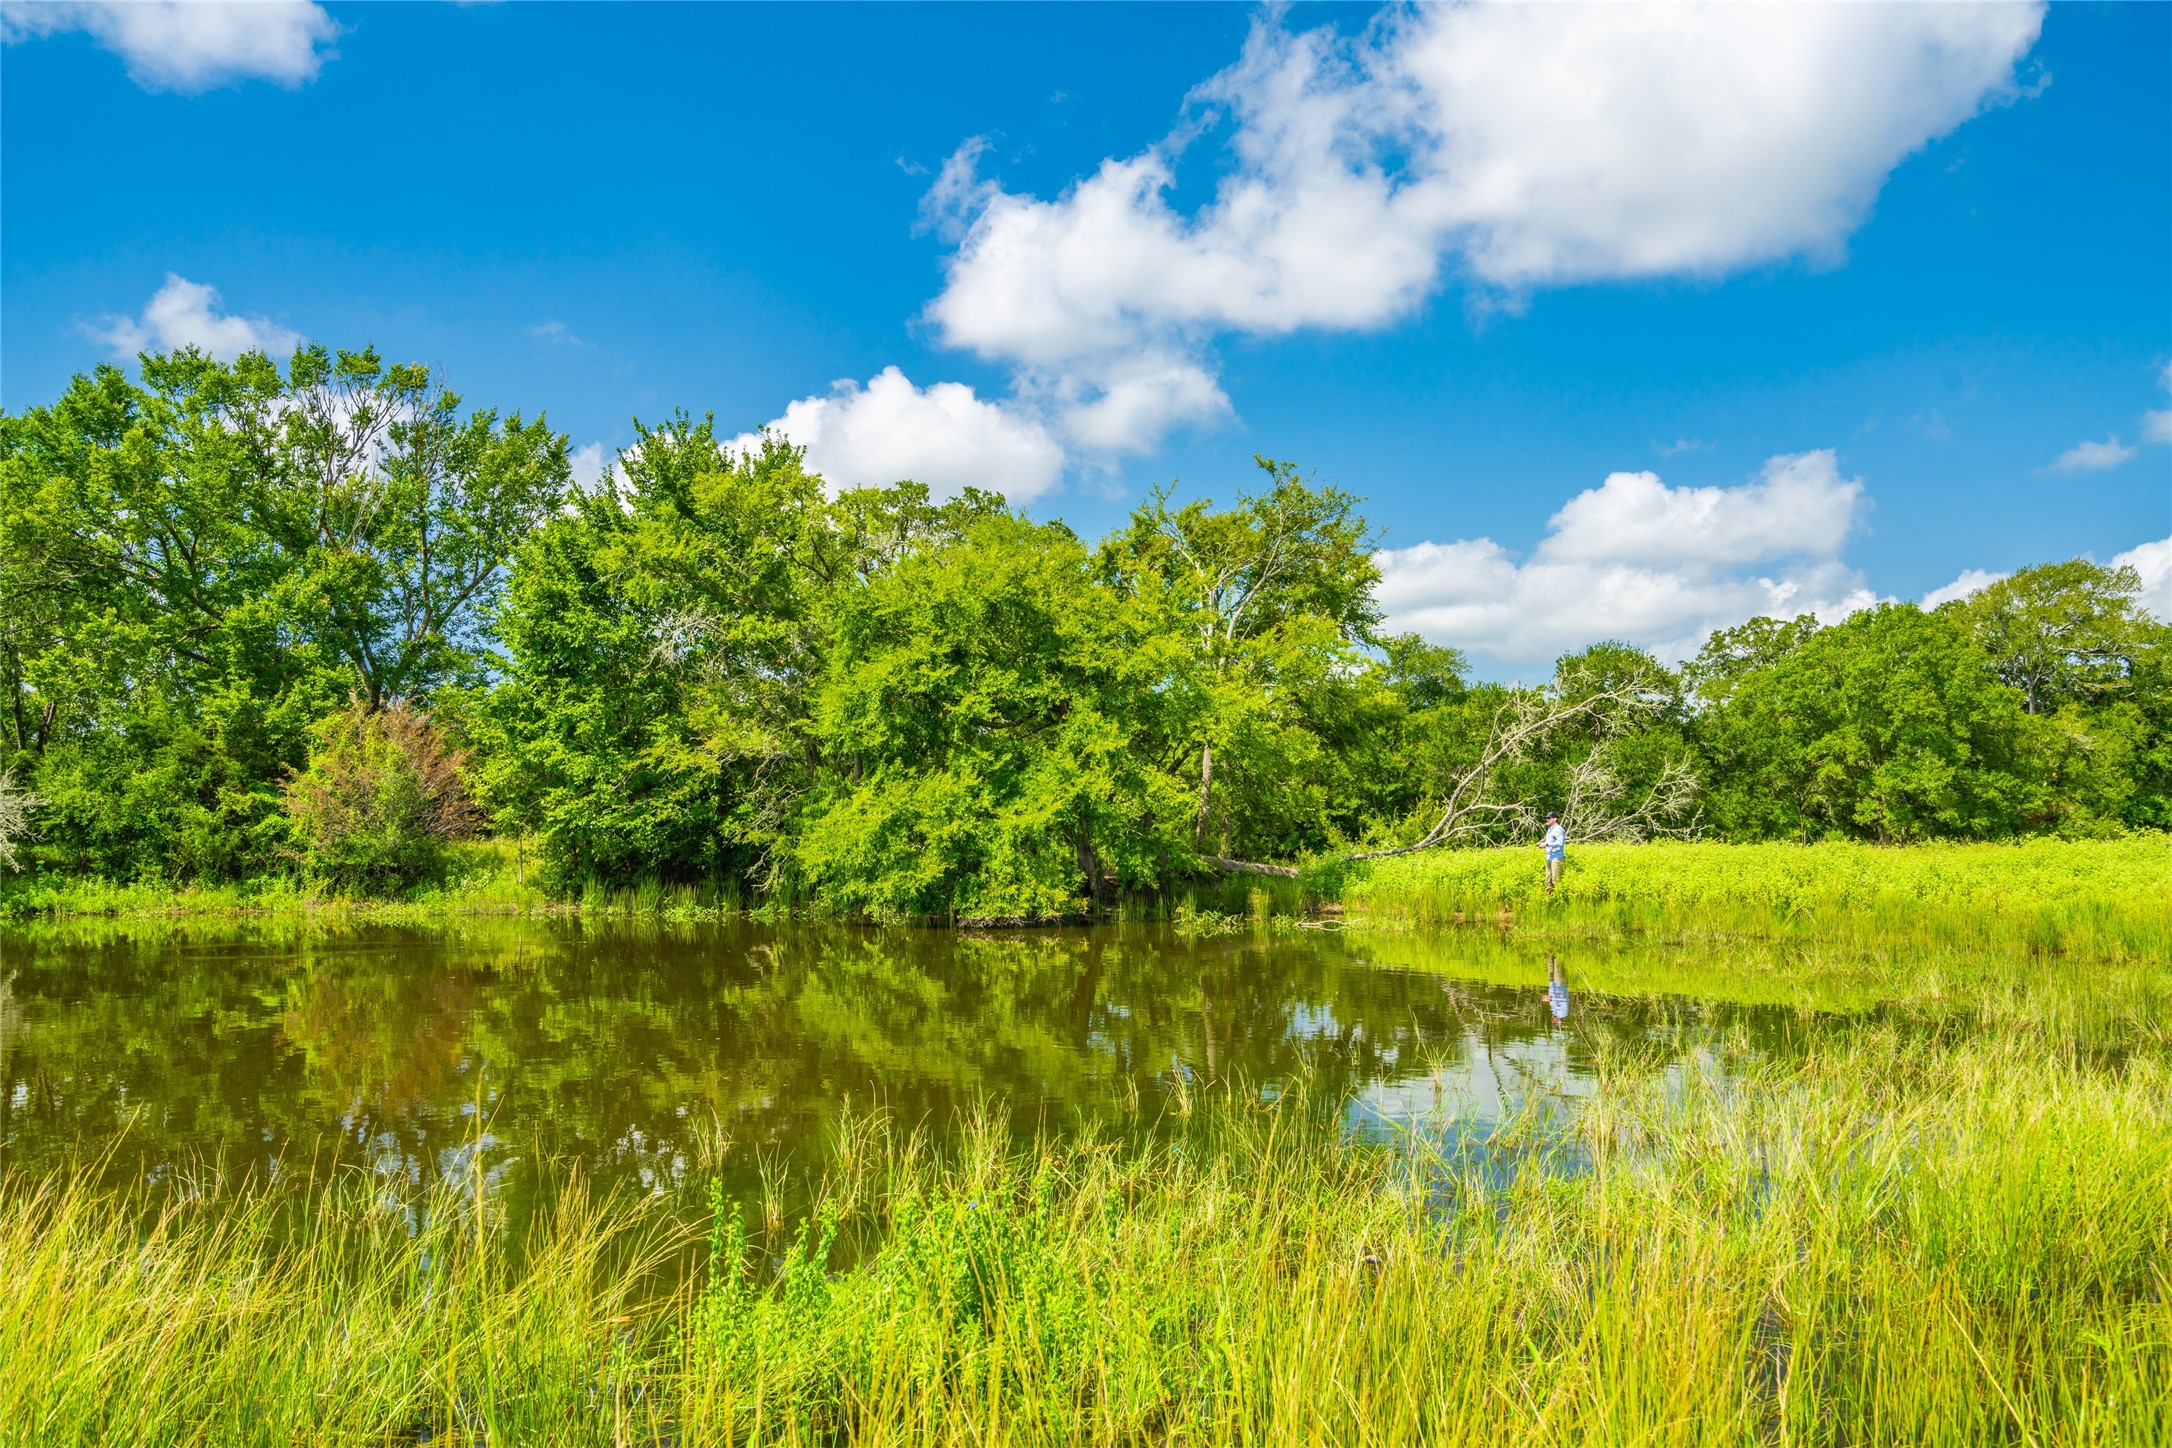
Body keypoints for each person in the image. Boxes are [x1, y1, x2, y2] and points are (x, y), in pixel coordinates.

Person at [1541, 811, 1566, 894]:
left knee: (1556, 880)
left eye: (1549, 818)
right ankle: (1550, 899)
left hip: (1557, 858)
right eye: (1546, 818)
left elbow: (1560, 843)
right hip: (1549, 857)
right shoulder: (1550, 829)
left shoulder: (1559, 830)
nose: (1547, 820)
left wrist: (1547, 844)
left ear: (1555, 819)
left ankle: (1559, 898)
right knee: (1548, 880)